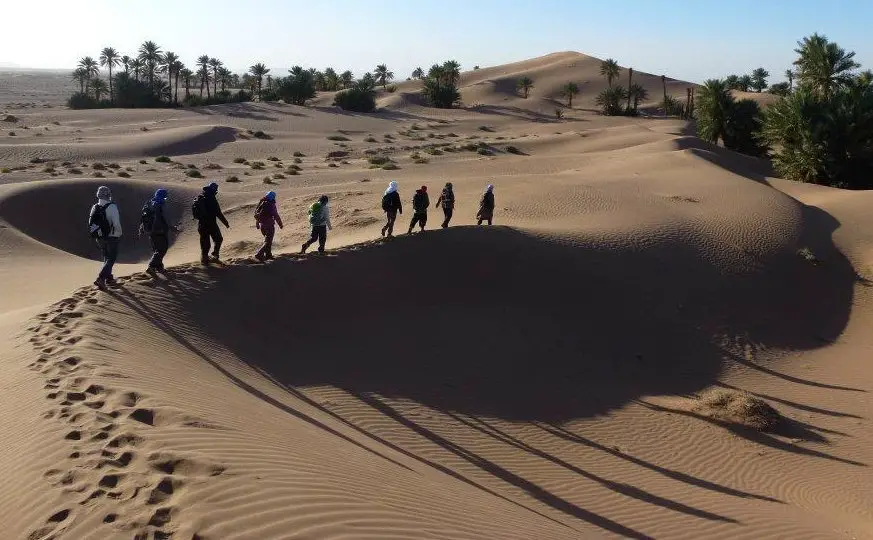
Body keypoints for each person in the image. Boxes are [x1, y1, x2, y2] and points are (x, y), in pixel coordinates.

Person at [88, 185, 123, 289]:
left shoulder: (95, 207)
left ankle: (108, 277)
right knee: (111, 258)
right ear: (108, 195)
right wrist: (119, 233)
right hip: (112, 236)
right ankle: (101, 278)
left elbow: (90, 222)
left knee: (106, 257)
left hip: (99, 236)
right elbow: (116, 223)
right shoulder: (112, 206)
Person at [139, 188, 177, 274]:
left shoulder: (148, 204)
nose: (165, 199)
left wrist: (141, 229)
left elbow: (143, 218)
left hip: (150, 231)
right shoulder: (159, 205)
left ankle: (159, 267)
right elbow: (163, 219)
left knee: (157, 249)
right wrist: (172, 228)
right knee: (162, 250)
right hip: (159, 231)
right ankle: (151, 267)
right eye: (165, 197)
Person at [192, 182, 229, 265]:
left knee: (205, 244)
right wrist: (226, 223)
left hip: (201, 224)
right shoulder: (211, 198)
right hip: (211, 224)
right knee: (218, 239)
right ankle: (215, 256)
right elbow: (218, 213)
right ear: (214, 190)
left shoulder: (201, 196)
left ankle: (204, 260)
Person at [254, 191, 283, 261]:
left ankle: (268, 255)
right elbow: (276, 215)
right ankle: (259, 254)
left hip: (262, 226)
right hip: (269, 225)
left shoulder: (262, 203)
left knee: (268, 241)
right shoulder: (271, 204)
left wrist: (257, 223)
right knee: (268, 241)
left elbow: (258, 214)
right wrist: (280, 224)